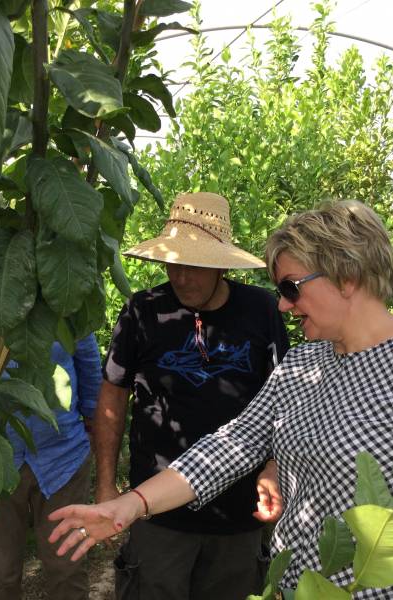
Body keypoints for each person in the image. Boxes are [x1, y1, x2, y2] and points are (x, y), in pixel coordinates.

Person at [49, 200, 393, 599]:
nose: (281, 305)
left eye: (291, 287)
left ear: (348, 275)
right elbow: (231, 446)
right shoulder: (304, 366)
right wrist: (131, 505)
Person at [94, 192, 289, 599]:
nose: (181, 277)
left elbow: (283, 398)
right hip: (157, 511)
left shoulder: (261, 311)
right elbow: (113, 398)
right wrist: (106, 485)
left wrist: (272, 464)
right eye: (173, 263)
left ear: (221, 265)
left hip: (239, 513)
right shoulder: (142, 312)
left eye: (195, 265)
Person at [0, 335, 102, 600]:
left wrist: (93, 415)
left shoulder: (58, 298)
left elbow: (86, 354)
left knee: (66, 566)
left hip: (63, 454)